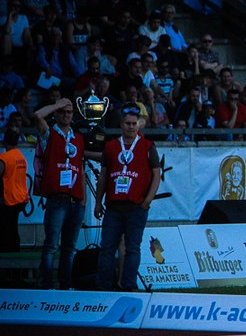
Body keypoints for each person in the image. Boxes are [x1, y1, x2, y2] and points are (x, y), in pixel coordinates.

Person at [94, 108, 161, 291]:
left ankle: (128, 285)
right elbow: (103, 176)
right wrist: (98, 202)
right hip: (114, 206)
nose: (131, 127)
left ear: (138, 125)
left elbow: (156, 175)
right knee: (107, 248)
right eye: (127, 123)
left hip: (136, 206)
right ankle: (104, 286)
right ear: (121, 125)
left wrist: (147, 201)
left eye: (134, 123)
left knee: (132, 248)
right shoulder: (111, 146)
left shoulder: (147, 146)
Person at [34, 98, 88, 289]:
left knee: (69, 248)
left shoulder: (78, 138)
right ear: (56, 114)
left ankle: (65, 286)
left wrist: (83, 199)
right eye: (62, 112)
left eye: (69, 112)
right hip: (57, 199)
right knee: (51, 246)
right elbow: (38, 115)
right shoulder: (49, 134)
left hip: (75, 201)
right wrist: (58, 104)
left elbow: (80, 168)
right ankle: (47, 285)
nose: (66, 115)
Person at [0, 127, 29, 252]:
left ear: (4, 142)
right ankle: (15, 249)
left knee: (6, 228)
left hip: (8, 198)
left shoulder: (4, 158)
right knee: (13, 226)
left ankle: (8, 251)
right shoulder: (21, 157)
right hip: (20, 197)